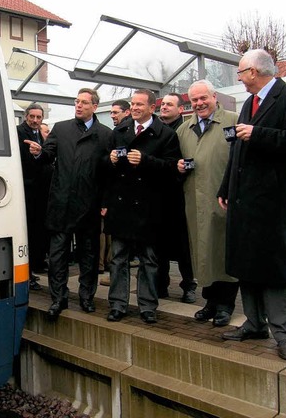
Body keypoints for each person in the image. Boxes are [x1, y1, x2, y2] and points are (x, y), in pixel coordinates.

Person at [218, 49, 286, 360]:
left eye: (242, 72)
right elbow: (238, 150)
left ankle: (283, 333)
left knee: (276, 267)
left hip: (272, 202)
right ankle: (254, 323)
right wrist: (225, 187)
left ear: (256, 71)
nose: (239, 78)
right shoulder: (250, 102)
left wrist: (259, 134)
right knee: (247, 263)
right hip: (243, 199)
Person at [25, 88, 112, 319]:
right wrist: (38, 152)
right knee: (57, 256)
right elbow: (47, 156)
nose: (79, 105)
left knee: (89, 256)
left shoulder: (105, 134)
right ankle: (58, 298)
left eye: (84, 102)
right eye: (77, 101)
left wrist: (104, 202)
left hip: (89, 205)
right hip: (61, 204)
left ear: (94, 106)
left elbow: (107, 173)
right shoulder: (62, 128)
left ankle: (86, 297)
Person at [102, 89, 181, 324]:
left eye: (139, 104)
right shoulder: (119, 132)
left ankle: (147, 306)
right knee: (118, 258)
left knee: (149, 260)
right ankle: (117, 304)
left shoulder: (165, 134)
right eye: (133, 104)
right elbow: (102, 168)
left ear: (152, 107)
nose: (134, 108)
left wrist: (146, 161)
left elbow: (172, 168)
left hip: (150, 209)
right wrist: (110, 160)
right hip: (121, 206)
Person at [176, 81, 238, 326]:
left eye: (204, 98)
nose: (199, 104)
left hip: (223, 200)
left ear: (214, 97)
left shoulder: (232, 121)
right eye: (194, 100)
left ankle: (226, 304)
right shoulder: (184, 129)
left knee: (223, 252)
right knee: (202, 252)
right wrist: (178, 167)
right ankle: (210, 302)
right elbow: (175, 162)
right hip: (195, 201)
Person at [156, 93, 196, 303]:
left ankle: (189, 285)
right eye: (162, 104)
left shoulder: (187, 130)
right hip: (159, 196)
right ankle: (160, 284)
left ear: (180, 109)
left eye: (169, 104)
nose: (164, 107)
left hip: (180, 195)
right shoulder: (155, 130)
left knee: (183, 246)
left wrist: (180, 170)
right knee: (159, 244)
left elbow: (193, 158)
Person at [17, 104, 50, 291]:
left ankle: (32, 269)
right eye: (32, 117)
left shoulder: (39, 135)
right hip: (27, 190)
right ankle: (26, 275)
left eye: (39, 117)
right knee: (27, 233)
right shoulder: (20, 133)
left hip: (38, 191)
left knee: (36, 231)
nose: (35, 120)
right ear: (26, 116)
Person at [99, 99, 132, 286]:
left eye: (115, 112)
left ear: (126, 113)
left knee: (119, 247)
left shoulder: (120, 133)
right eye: (110, 112)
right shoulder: (115, 133)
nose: (112, 115)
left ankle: (117, 281)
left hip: (121, 199)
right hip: (118, 198)